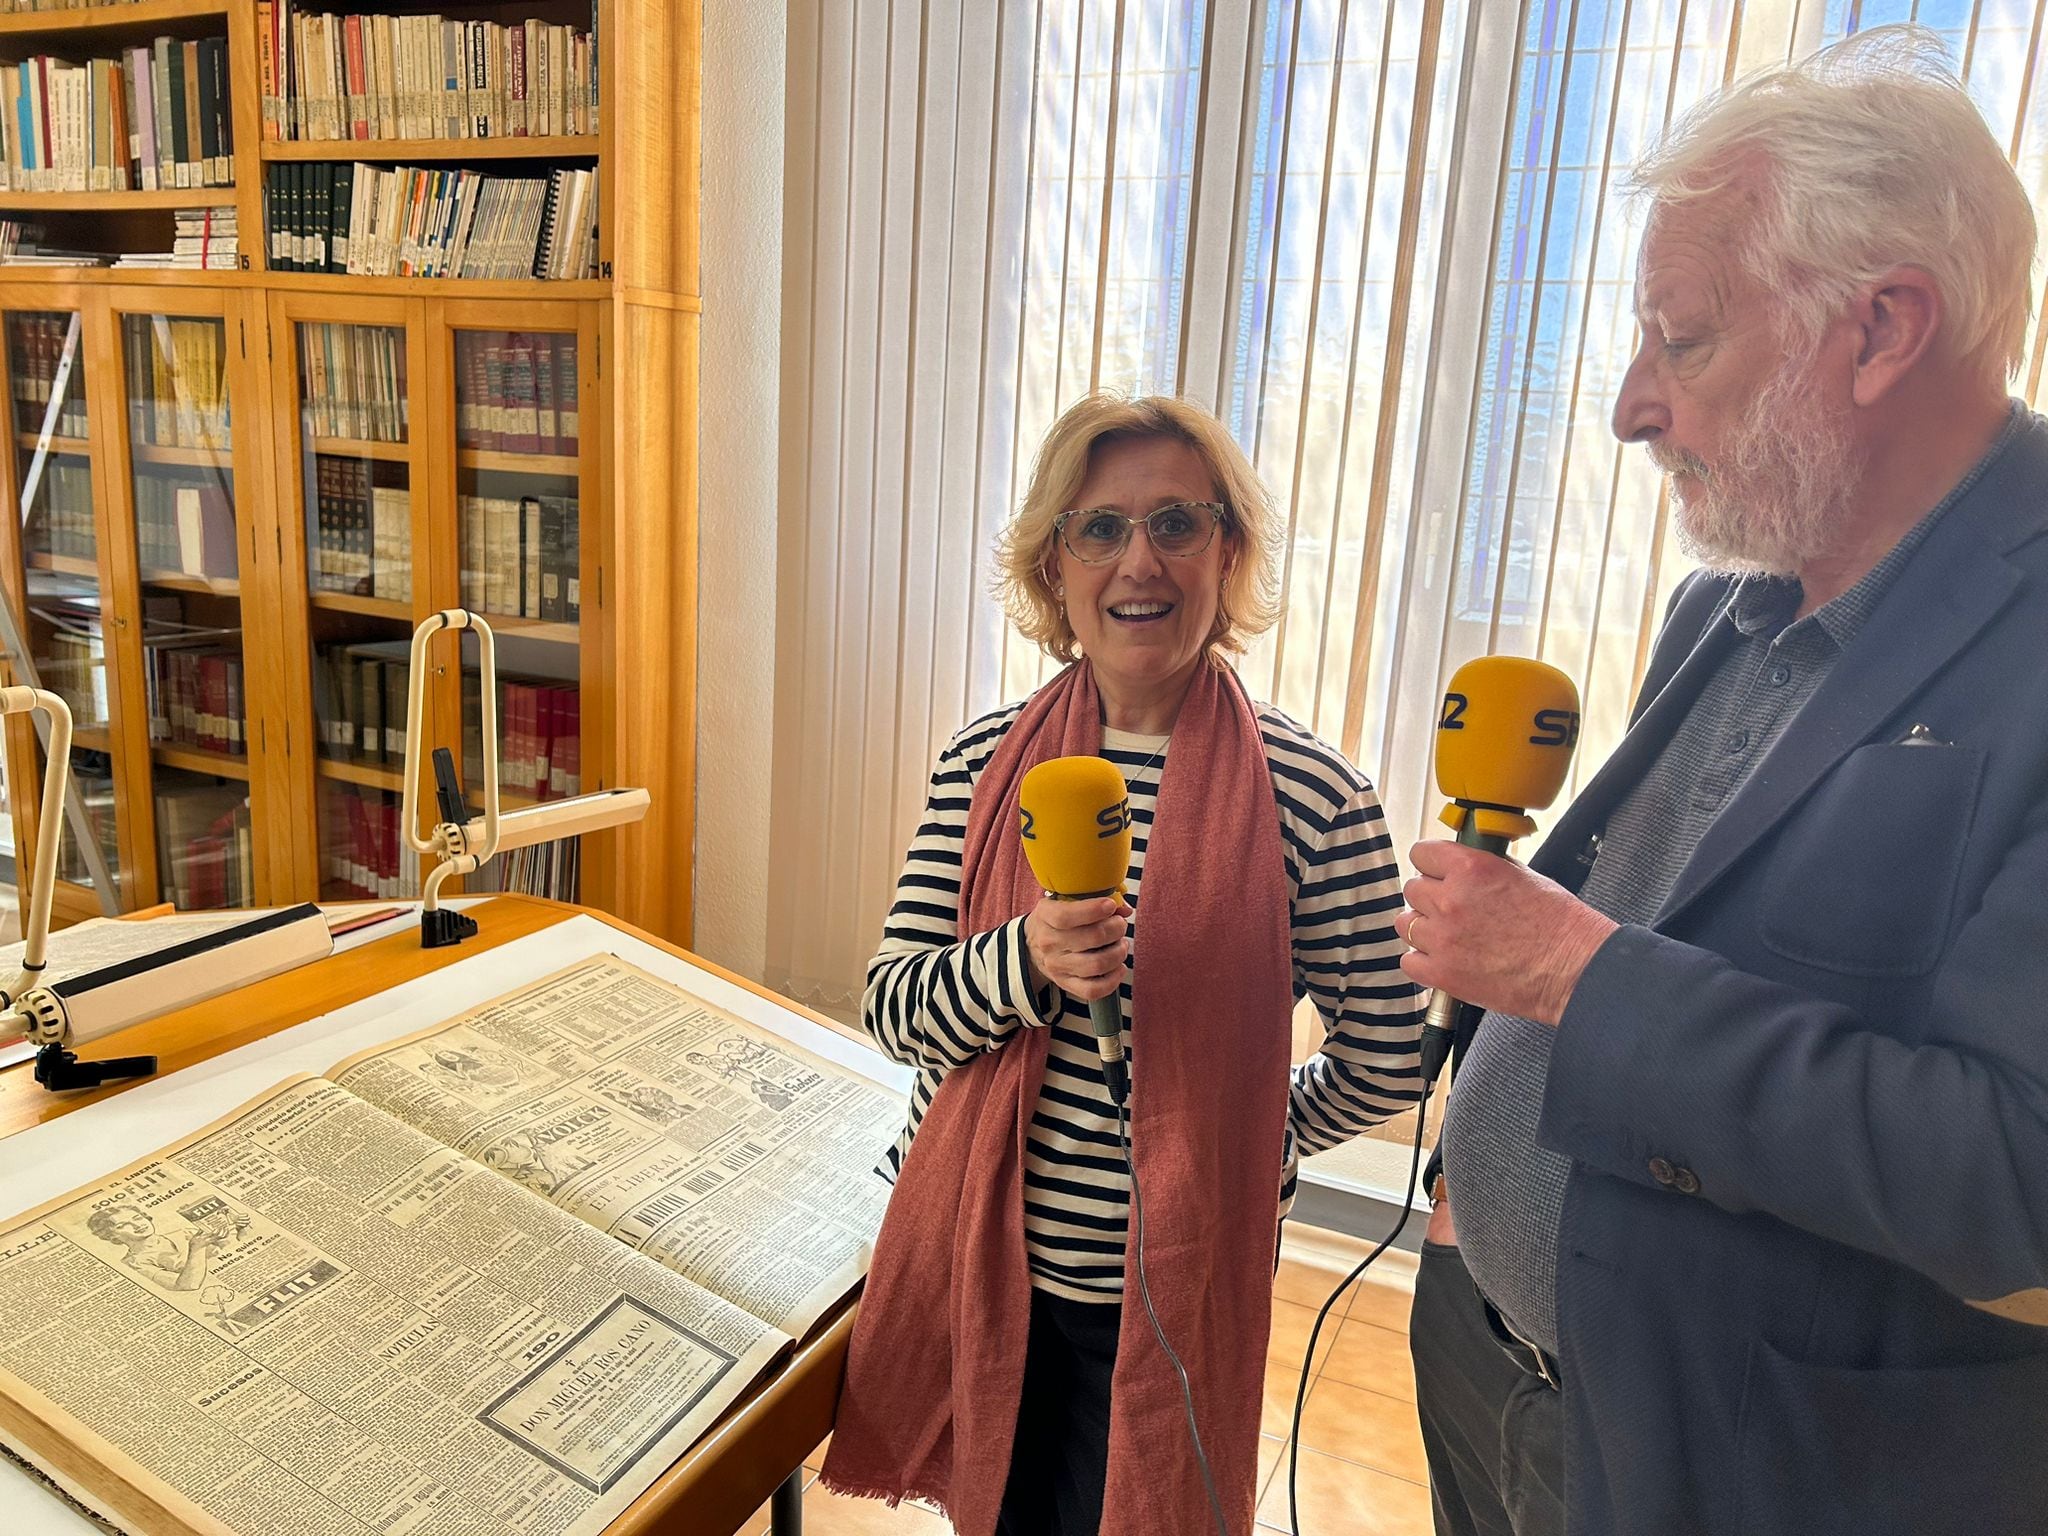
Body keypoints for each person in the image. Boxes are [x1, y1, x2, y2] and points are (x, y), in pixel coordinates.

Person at [1399, 27, 2048, 1536]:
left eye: (1680, 341)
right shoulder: (1731, 598)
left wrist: (1574, 977)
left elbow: (2015, 1166)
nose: (1630, 405)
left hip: (1754, 1463)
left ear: (1882, 330)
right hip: (1493, 1360)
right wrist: (1470, 1196)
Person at [823, 393, 1425, 1535]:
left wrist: (1248, 1134)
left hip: (1169, 1286)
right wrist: (1024, 960)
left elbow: (1389, 1053)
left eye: (1177, 524)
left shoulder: (1316, 798)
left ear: (1227, 553)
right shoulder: (980, 763)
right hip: (977, 1263)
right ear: (1054, 568)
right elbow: (896, 1008)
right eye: (1098, 528)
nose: (1135, 560)